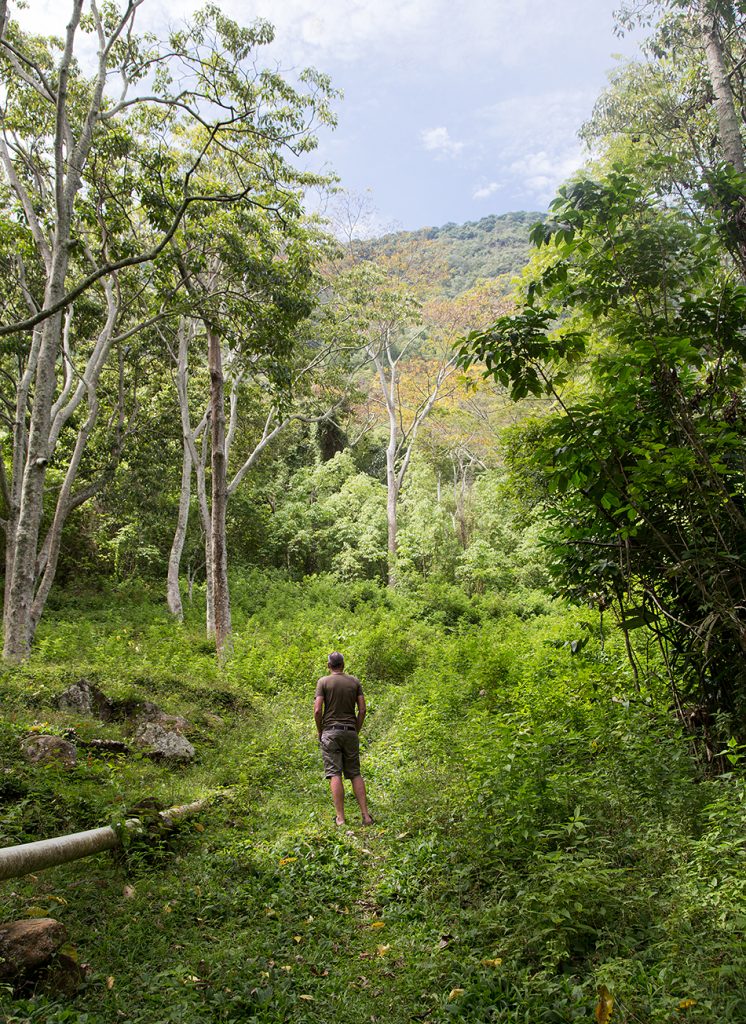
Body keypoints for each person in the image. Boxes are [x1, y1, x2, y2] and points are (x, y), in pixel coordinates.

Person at [314, 652, 374, 826]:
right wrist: (356, 729)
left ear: (328, 665)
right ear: (343, 664)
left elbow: (318, 710)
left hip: (330, 732)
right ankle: (366, 816)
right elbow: (362, 710)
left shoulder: (323, 682)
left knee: (334, 773)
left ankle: (340, 818)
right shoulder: (354, 682)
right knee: (355, 773)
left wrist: (320, 731)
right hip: (350, 732)